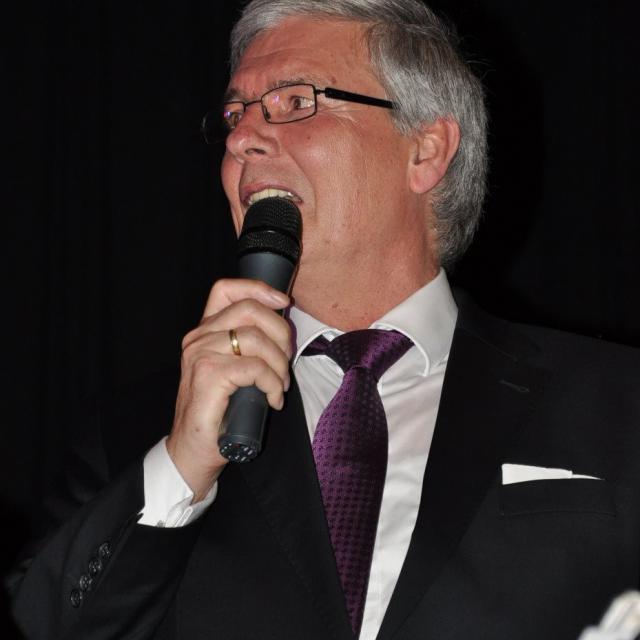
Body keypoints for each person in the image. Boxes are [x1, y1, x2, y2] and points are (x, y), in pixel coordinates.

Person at [9, 1, 640, 639]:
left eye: (294, 101)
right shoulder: (136, 434)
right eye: (234, 113)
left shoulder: (618, 402)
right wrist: (182, 467)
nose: (241, 139)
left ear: (425, 150)